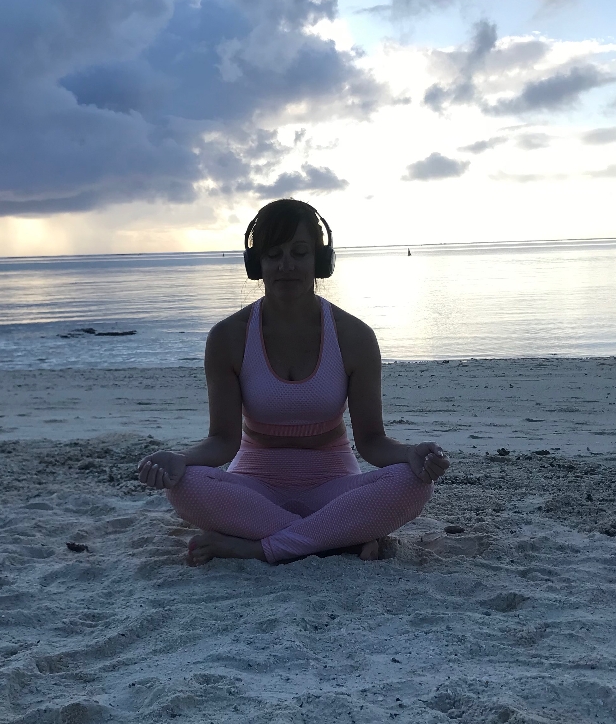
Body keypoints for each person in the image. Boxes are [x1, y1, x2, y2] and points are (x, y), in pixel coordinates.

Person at [138, 198, 450, 565]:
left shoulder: (354, 336)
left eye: (299, 253)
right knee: (185, 486)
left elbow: (372, 442)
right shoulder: (228, 336)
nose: (286, 265)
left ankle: (261, 546)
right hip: (254, 491)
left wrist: (409, 454)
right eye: (273, 254)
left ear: (320, 260)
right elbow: (222, 441)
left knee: (414, 483)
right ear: (257, 264)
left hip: (334, 490)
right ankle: (334, 539)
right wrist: (180, 460)